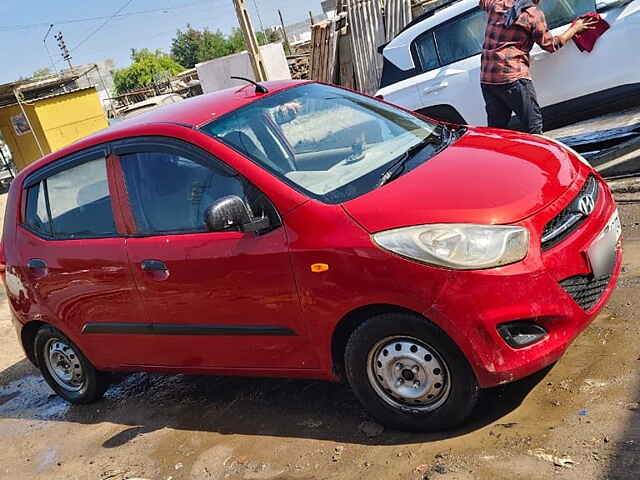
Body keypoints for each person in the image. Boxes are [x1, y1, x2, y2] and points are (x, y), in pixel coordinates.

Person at [480, 0, 597, 134]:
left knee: (496, 131)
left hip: (487, 79)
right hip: (512, 78)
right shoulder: (533, 14)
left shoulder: (498, 4)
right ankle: (539, 155)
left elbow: (483, 2)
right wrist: (575, 29)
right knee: (533, 128)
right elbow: (551, 45)